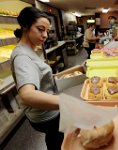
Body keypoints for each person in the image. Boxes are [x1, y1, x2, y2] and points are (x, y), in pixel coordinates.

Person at [11, 7, 63, 150]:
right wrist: (67, 102)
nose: (45, 35)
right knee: (58, 139)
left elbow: (38, 74)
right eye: (40, 29)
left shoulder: (29, 49)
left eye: (47, 30)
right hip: (45, 114)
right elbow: (27, 95)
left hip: (45, 110)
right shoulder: (22, 56)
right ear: (26, 26)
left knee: (54, 137)